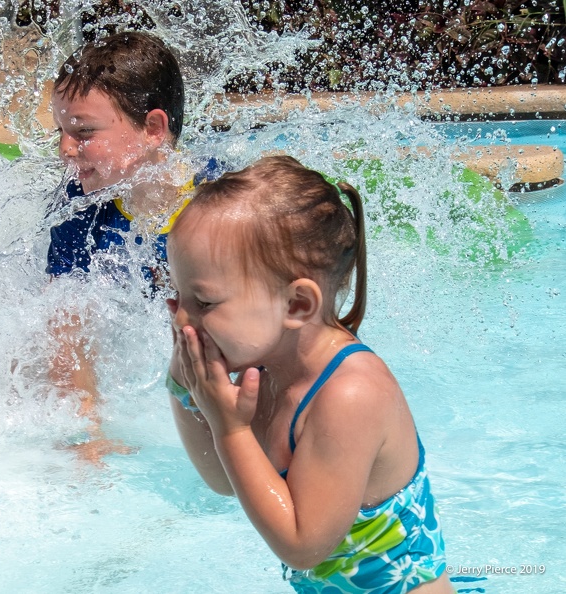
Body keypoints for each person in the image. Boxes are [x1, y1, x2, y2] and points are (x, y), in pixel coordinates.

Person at [165, 156, 454, 593]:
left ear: (297, 304)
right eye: (176, 295)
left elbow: (303, 546)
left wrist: (231, 429)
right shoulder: (268, 368)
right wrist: (185, 387)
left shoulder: (350, 394)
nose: (181, 317)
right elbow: (222, 480)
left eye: (203, 302)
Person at [46, 31, 220, 461]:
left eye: (83, 132)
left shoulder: (223, 202)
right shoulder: (77, 209)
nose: (65, 149)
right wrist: (88, 433)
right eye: (61, 131)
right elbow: (65, 329)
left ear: (153, 129)